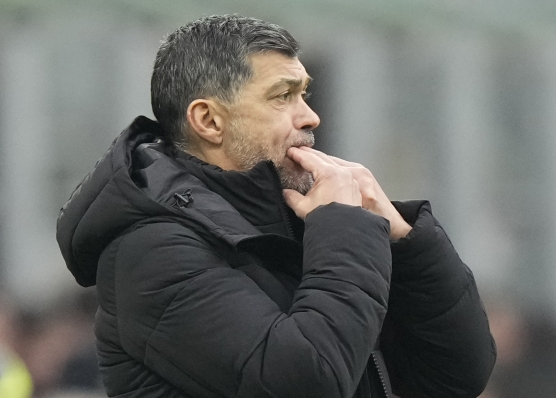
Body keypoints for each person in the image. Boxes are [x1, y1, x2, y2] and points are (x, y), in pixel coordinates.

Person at [56, 14, 495, 398]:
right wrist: (344, 227)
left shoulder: (304, 223)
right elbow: (308, 383)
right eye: (282, 96)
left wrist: (403, 239)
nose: (309, 116)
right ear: (209, 120)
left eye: (303, 93)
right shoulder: (152, 250)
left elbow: (454, 377)